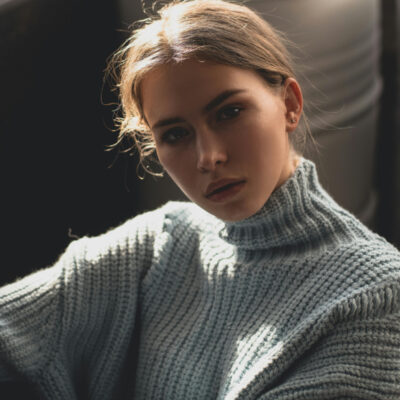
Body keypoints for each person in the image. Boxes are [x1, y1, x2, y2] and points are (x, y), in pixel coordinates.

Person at [1, 0, 400, 399]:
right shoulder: (160, 244)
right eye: (175, 134)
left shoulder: (375, 296)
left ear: (290, 104)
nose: (209, 157)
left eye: (229, 113)